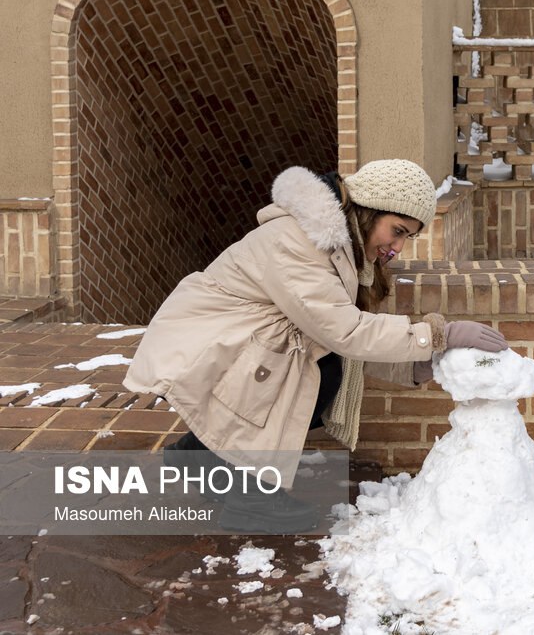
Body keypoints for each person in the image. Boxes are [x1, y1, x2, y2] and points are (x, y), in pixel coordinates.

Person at [124, 161, 508, 532]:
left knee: (324, 365)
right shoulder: (301, 241)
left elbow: (345, 332)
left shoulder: (342, 249)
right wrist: (437, 335)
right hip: (215, 342)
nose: (398, 247)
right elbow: (345, 331)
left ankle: (198, 458)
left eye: (408, 236)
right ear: (370, 210)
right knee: (317, 372)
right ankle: (252, 498)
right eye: (397, 230)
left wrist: (414, 366)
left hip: (242, 340)